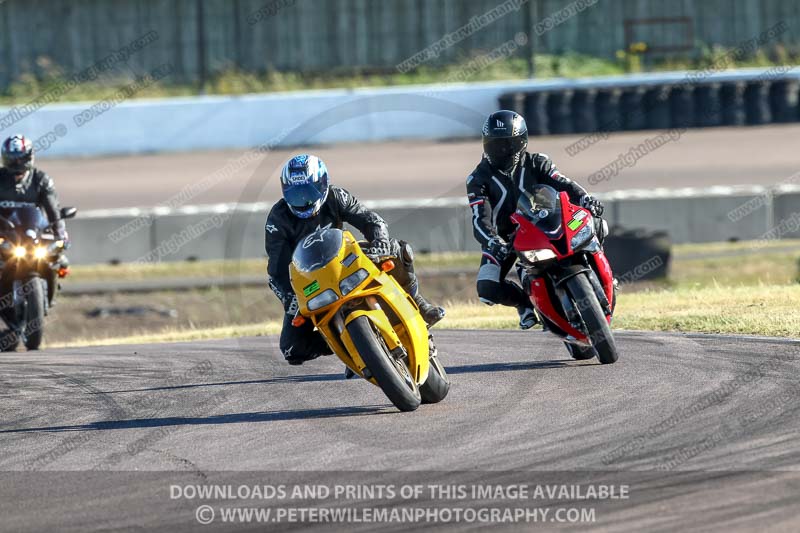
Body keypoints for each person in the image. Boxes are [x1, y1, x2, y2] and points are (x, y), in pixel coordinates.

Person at [265, 154, 445, 366]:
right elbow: (276, 272)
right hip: (311, 280)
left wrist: (380, 242)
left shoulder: (336, 196)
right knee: (291, 348)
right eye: (295, 193)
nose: (302, 200)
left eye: (308, 191)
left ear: (322, 183)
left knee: (399, 250)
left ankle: (420, 305)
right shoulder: (277, 220)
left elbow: (371, 220)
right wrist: (290, 299)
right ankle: (348, 345)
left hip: (345, 260)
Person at [466, 110, 605, 329]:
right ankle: (524, 304)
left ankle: (601, 273)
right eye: (495, 144)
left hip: (546, 222)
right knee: (487, 289)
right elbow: (479, 217)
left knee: (596, 223)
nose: (502, 151)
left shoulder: (538, 162)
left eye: (508, 144)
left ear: (521, 142)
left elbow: (564, 184)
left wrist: (586, 199)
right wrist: (493, 241)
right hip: (507, 239)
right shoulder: (478, 179)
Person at [0, 134, 68, 240]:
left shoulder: (41, 180)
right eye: (11, 159)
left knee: (59, 255)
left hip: (34, 236)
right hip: (4, 236)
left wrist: (60, 231)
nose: (16, 163)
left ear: (28, 157)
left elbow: (53, 209)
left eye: (19, 159)